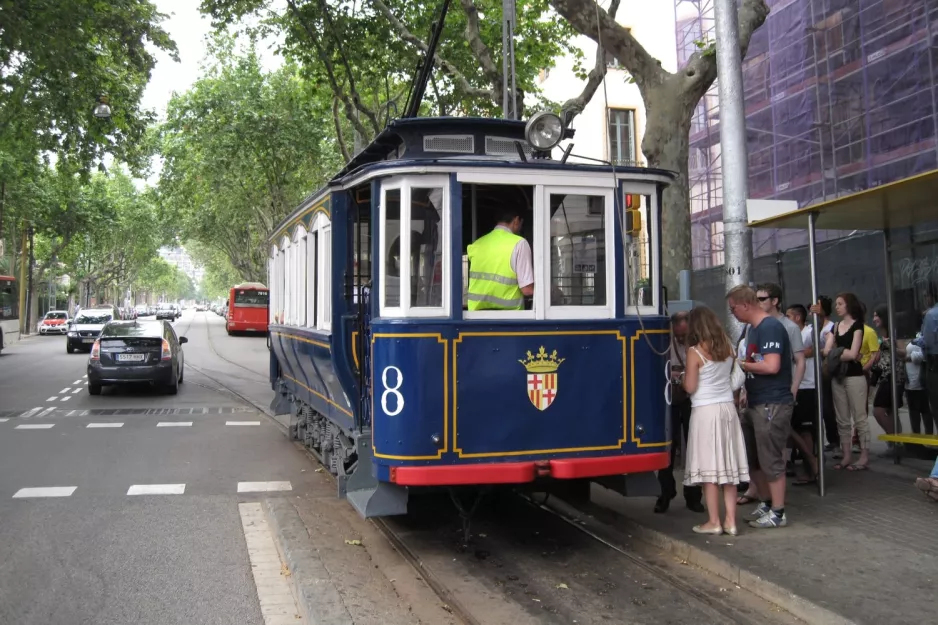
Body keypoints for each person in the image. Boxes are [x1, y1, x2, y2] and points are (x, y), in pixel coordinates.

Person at [727, 285, 793, 529]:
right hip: (755, 401)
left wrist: (743, 366)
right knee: (753, 457)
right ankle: (766, 502)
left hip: (772, 403)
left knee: (771, 458)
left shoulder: (770, 328)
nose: (732, 313)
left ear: (745, 305)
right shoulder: (751, 329)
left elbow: (772, 366)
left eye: (733, 308)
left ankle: (778, 512)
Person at [681, 306, 750, 536]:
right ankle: (731, 521)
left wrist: (682, 378)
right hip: (727, 410)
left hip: (705, 412)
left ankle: (713, 521)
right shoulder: (728, 347)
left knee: (710, 471)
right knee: (728, 468)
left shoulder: (694, 351)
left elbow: (691, 387)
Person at [656, 311, 704, 514]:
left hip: (693, 397)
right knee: (667, 445)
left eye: (685, 334)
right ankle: (665, 492)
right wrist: (670, 373)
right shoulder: (664, 341)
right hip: (671, 397)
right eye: (679, 334)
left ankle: (693, 495)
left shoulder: (700, 341)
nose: (681, 338)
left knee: (694, 446)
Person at [821, 292, 871, 471]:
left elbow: (852, 353)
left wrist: (837, 352)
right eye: (836, 304)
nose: (837, 307)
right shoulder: (835, 327)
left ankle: (864, 455)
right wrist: (844, 353)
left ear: (849, 305)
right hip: (838, 377)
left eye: (840, 304)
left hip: (855, 377)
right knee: (842, 419)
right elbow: (828, 352)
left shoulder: (858, 326)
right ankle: (846, 454)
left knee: (860, 418)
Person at [466, 206, 533, 310]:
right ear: (516, 220)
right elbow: (527, 289)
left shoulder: (476, 244)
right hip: (509, 318)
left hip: (476, 317)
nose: (520, 227)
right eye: (521, 224)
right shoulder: (519, 243)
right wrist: (549, 291)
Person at [785, 304, 820, 485]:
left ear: (797, 317)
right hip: (793, 386)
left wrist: (794, 354)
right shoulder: (790, 333)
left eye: (789, 316)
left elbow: (817, 348)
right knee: (792, 427)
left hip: (807, 385)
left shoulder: (808, 331)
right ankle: (805, 462)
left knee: (805, 429)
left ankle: (811, 466)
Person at [810, 296, 839, 453]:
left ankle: (834, 439)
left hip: (826, 370)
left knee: (827, 405)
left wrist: (818, 351)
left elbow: (828, 348)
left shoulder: (829, 327)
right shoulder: (815, 326)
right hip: (815, 370)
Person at [871, 305, 904, 440]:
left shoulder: (895, 333)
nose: (874, 319)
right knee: (889, 411)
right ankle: (896, 441)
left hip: (894, 376)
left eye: (876, 316)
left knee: (879, 410)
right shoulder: (882, 335)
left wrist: (892, 347)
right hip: (884, 376)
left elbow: (904, 352)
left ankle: (895, 440)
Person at [905, 336, 933, 434]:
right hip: (909, 382)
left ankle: (929, 440)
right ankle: (917, 441)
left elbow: (926, 355)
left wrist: (909, 357)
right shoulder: (907, 335)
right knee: (913, 412)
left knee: (926, 411)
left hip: (921, 381)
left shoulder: (924, 334)